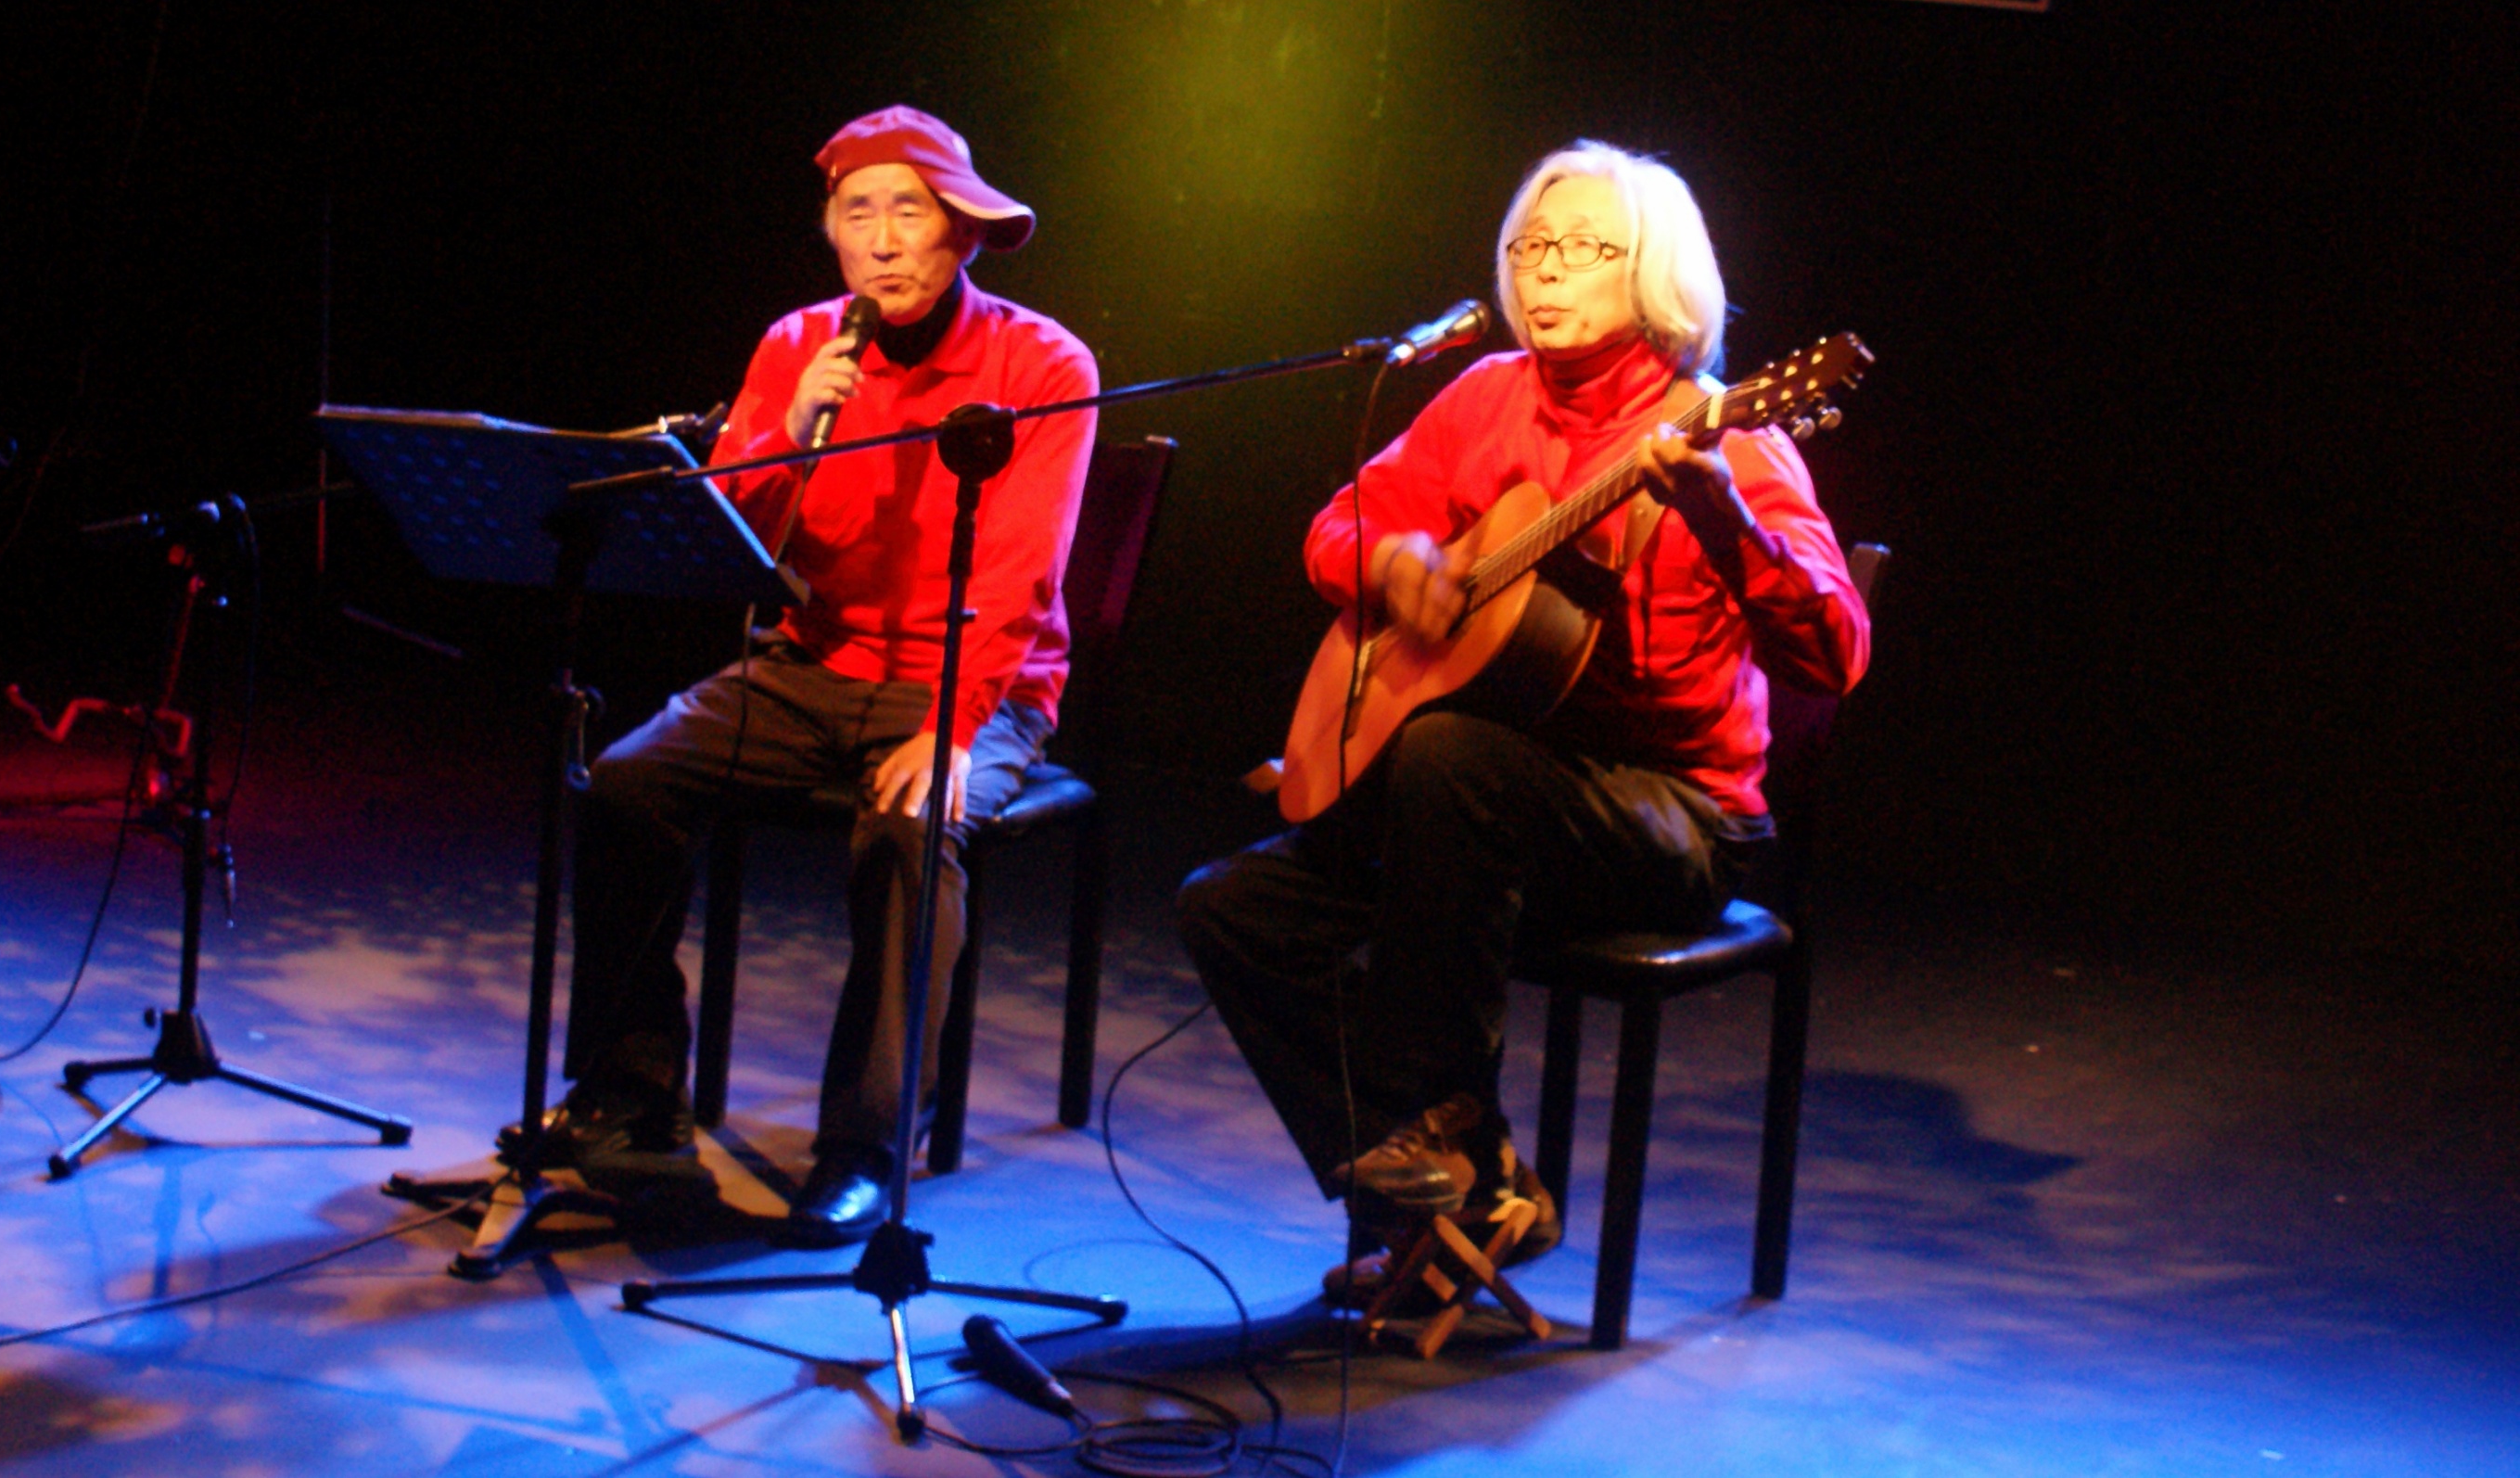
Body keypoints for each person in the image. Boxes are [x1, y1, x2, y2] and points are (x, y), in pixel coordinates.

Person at [1176, 140, 1868, 1286]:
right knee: (1232, 906)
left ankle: (1429, 1198)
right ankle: (1472, 1184)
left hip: (1672, 818)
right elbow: (1336, 528)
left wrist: (1727, 524)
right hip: (1475, 816)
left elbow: (1836, 654)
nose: (1546, 269)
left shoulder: (1734, 434)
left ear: (1654, 272)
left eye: (1585, 248)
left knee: (1452, 755)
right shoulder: (1485, 396)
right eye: (1532, 245)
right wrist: (1393, 565)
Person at [536, 107, 1099, 1245]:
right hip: (812, 660)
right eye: (858, 213)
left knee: (907, 829)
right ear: (831, 232)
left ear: (963, 232)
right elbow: (731, 541)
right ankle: (634, 1094)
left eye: (910, 212)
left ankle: (863, 1148)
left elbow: (1022, 575)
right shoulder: (796, 345)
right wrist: (787, 433)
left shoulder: (1043, 362)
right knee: (628, 783)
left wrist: (951, 728)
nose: (884, 240)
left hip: (972, 682)